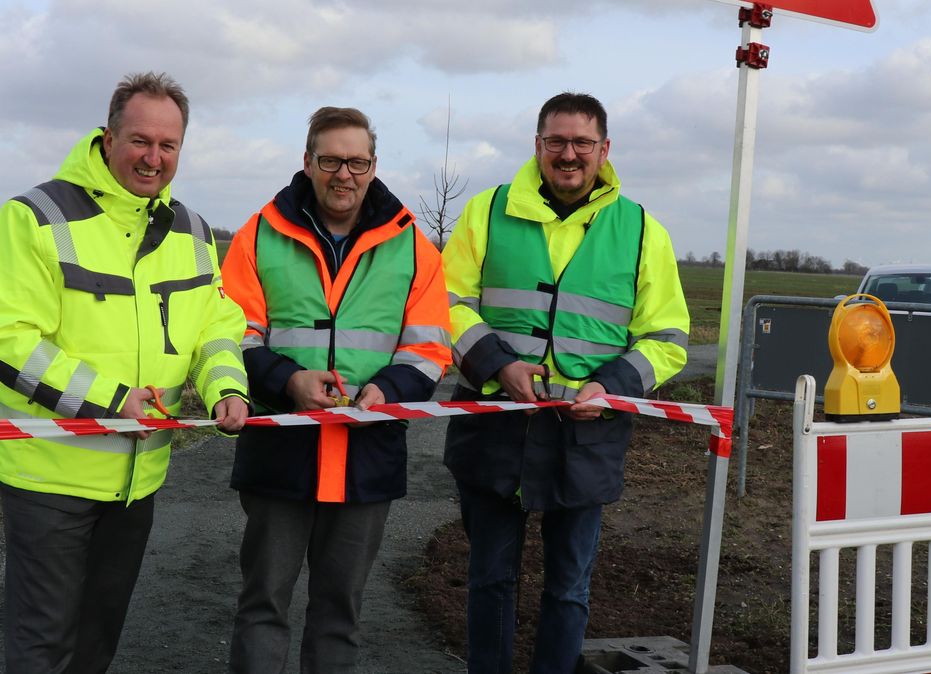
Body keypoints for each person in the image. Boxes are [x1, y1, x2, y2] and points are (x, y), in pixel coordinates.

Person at [0, 71, 250, 673]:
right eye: (140, 141)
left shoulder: (194, 232)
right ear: (107, 136)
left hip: (138, 478)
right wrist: (114, 400)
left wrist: (227, 387)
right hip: (48, 473)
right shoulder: (34, 217)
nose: (154, 158)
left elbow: (216, 328)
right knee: (43, 643)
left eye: (168, 146)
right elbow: (7, 341)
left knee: (98, 638)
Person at [441, 92, 689, 673]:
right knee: (489, 582)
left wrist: (610, 386)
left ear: (604, 150)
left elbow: (669, 337)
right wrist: (498, 365)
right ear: (537, 146)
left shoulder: (642, 230)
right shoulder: (486, 211)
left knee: (569, 589)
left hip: (587, 438)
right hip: (496, 427)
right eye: (557, 141)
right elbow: (446, 303)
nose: (569, 154)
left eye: (582, 143)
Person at [221, 106, 451, 673]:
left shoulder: (415, 246)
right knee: (262, 605)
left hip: (366, 456)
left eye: (357, 161)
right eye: (330, 160)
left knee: (340, 612)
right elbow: (230, 335)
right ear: (307, 161)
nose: (343, 174)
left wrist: (386, 392)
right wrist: (288, 381)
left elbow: (430, 348)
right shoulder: (258, 236)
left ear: (373, 166)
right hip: (280, 450)